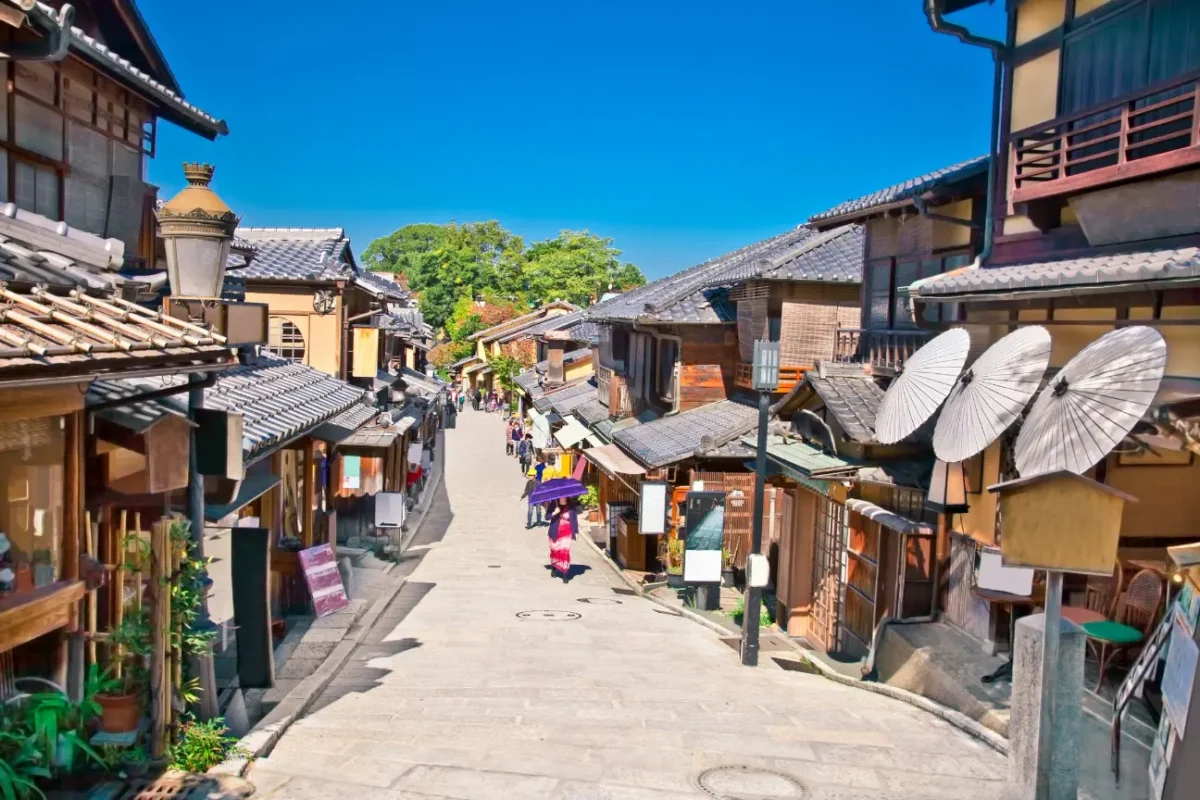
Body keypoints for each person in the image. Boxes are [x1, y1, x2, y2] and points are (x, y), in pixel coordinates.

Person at [547, 497, 578, 582]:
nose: (563, 496)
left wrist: (576, 532)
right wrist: (554, 512)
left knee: (565, 552)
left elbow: (574, 519)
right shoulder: (554, 503)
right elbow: (547, 516)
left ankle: (565, 574)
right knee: (555, 551)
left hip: (567, 532)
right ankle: (554, 568)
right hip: (555, 532)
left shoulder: (571, 505)